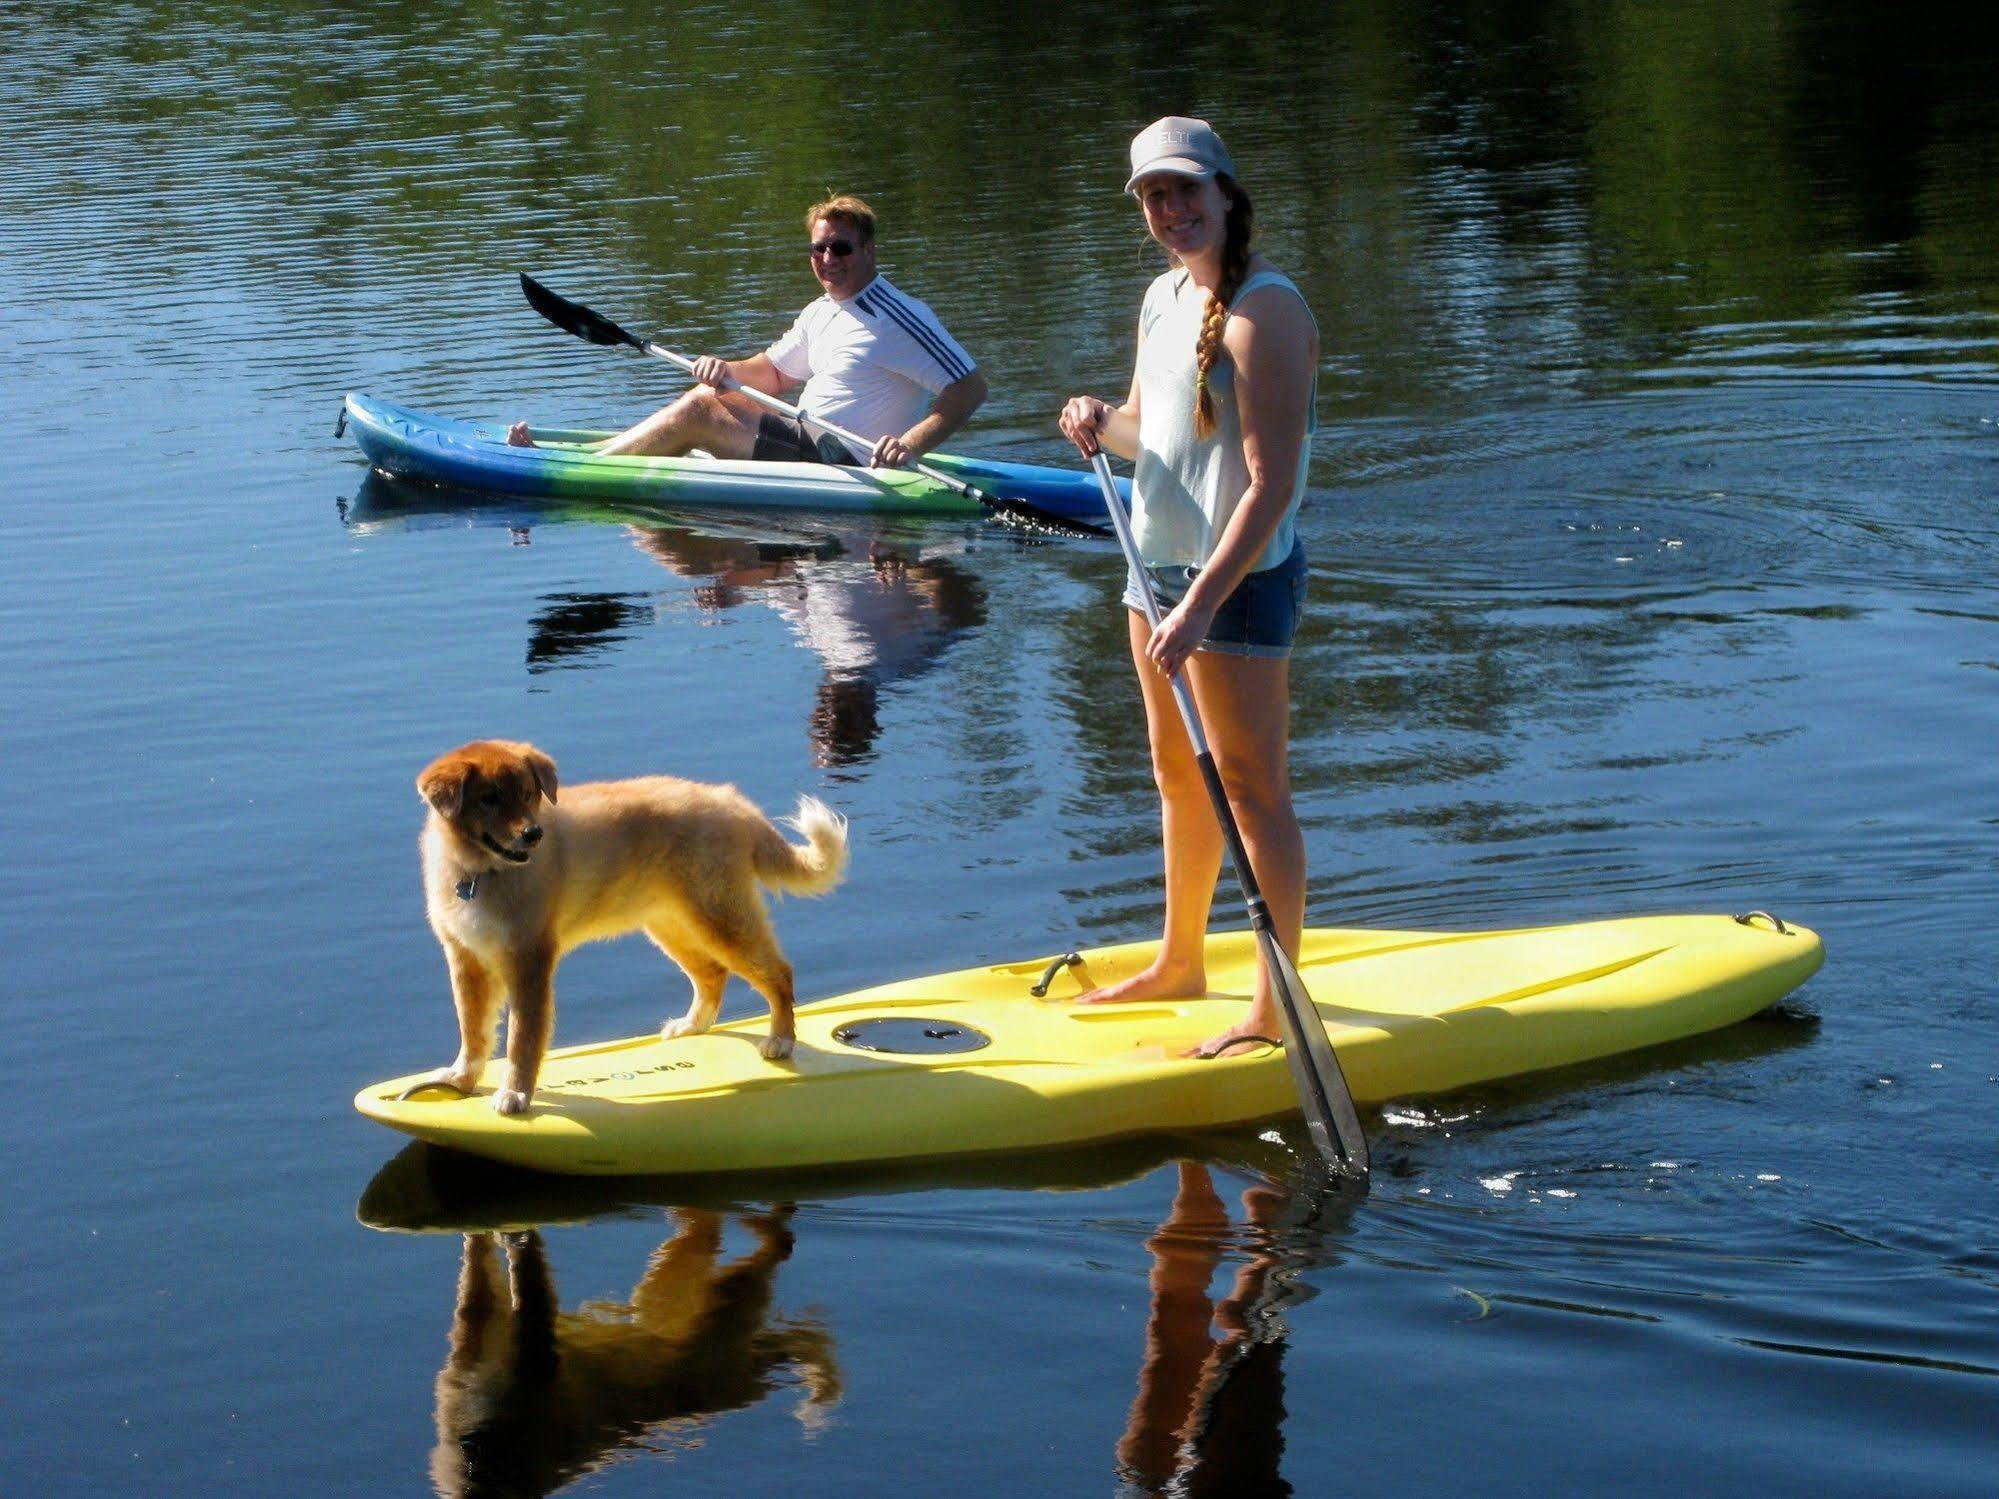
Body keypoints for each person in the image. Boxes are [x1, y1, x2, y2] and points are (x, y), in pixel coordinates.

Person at [1059, 117, 1320, 1060]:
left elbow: (1270, 484)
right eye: (1153, 198)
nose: (1171, 211)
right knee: (1177, 774)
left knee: (1251, 791)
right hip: (1151, 570)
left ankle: (1276, 1002)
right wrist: (1098, 419)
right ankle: (1179, 960)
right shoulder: (1164, 297)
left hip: (1235, 585)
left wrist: (1204, 600)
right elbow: (1148, 431)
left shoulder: (1267, 312)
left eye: (1185, 192)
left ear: (1223, 193)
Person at [509, 194, 987, 468]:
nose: (827, 259)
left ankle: (581, 468)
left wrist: (910, 445)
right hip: (806, 441)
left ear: (869, 252)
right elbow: (773, 375)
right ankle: (595, 452)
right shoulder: (823, 310)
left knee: (698, 409)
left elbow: (969, 387)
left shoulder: (898, 315)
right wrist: (722, 368)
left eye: (840, 248)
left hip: (845, 465)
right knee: (709, 393)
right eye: (818, 249)